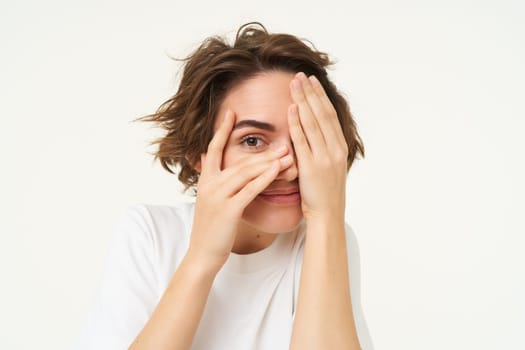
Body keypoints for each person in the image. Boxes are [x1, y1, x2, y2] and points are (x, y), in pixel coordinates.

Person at [74, 22, 373, 350]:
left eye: (305, 135)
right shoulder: (150, 234)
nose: (288, 166)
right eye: (253, 140)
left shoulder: (325, 237)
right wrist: (203, 257)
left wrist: (327, 214)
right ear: (198, 156)